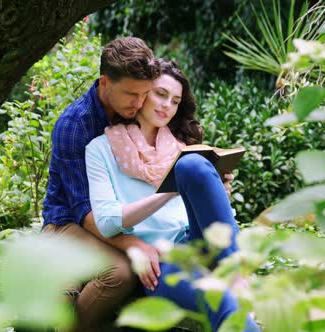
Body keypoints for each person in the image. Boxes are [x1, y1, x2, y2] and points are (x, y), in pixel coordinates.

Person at [85, 59, 260, 332]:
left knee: (192, 165)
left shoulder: (182, 148)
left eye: (175, 101)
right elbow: (107, 222)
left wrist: (216, 189)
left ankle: (236, 275)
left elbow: (219, 219)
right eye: (161, 94)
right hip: (163, 260)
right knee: (220, 298)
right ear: (143, 94)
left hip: (200, 242)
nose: (167, 105)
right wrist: (168, 190)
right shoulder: (101, 149)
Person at [41, 37, 161, 331]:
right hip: (68, 223)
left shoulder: (136, 113)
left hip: (114, 219)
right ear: (104, 82)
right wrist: (132, 243)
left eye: (144, 94)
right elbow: (84, 212)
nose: (139, 103)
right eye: (131, 94)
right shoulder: (74, 124)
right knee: (119, 272)